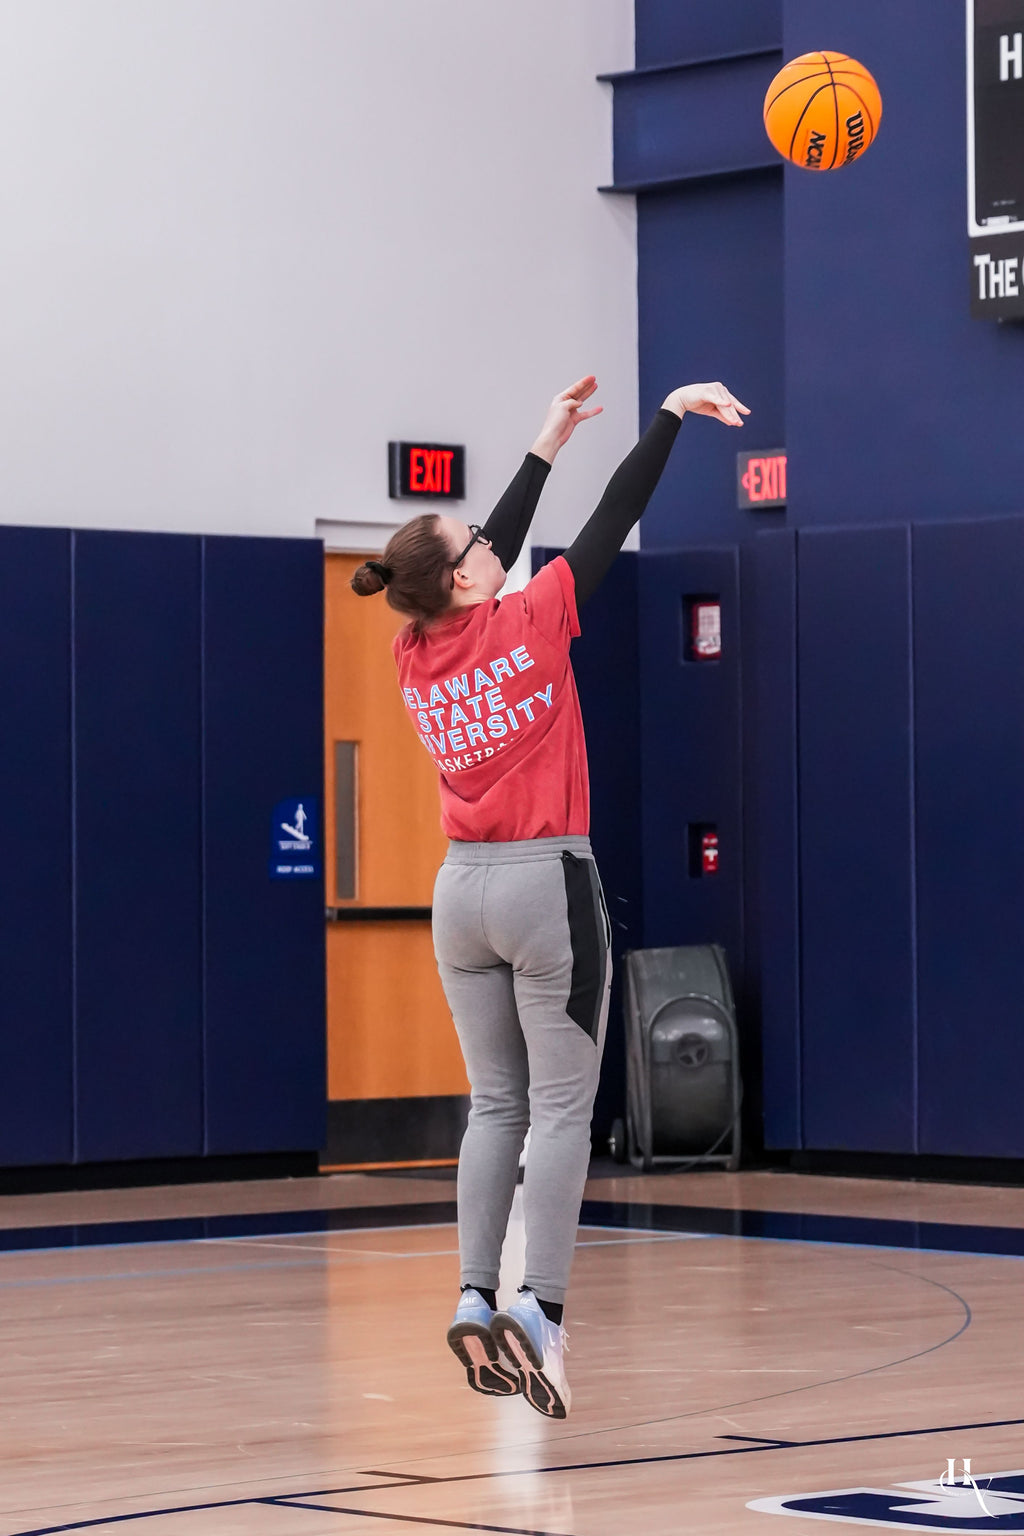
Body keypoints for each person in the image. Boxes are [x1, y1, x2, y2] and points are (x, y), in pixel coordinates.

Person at [351, 375, 749, 1418]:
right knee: (564, 1108)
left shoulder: (409, 652)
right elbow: (615, 518)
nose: (490, 542)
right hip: (545, 882)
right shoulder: (531, 616)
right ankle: (541, 1314)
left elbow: (476, 548)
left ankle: (473, 1291)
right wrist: (665, 415)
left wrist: (545, 439)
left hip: (458, 895)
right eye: (473, 542)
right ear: (472, 580)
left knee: (496, 1103)